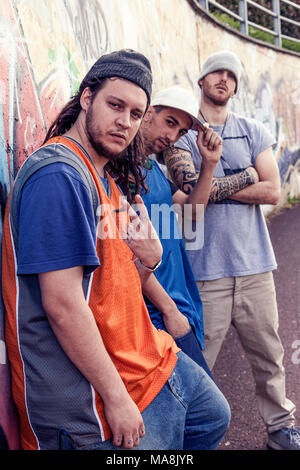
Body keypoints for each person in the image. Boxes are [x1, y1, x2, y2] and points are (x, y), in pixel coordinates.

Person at [1, 49, 230, 451]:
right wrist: (117, 398)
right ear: (87, 98)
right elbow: (63, 304)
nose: (125, 122)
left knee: (213, 417)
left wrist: (151, 256)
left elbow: (119, 280)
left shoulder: (105, 177)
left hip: (148, 364)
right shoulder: (59, 174)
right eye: (115, 105)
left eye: (136, 114)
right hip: (93, 402)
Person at [164, 50, 300, 451]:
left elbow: (273, 191)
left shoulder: (252, 130)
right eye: (215, 72)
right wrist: (246, 176)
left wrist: (214, 185)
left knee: (269, 356)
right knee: (197, 364)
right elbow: (192, 200)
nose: (223, 79)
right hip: (205, 272)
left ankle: (280, 428)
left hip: (256, 267)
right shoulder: (181, 135)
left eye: (231, 75)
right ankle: (185, 437)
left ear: (236, 86)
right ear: (202, 81)